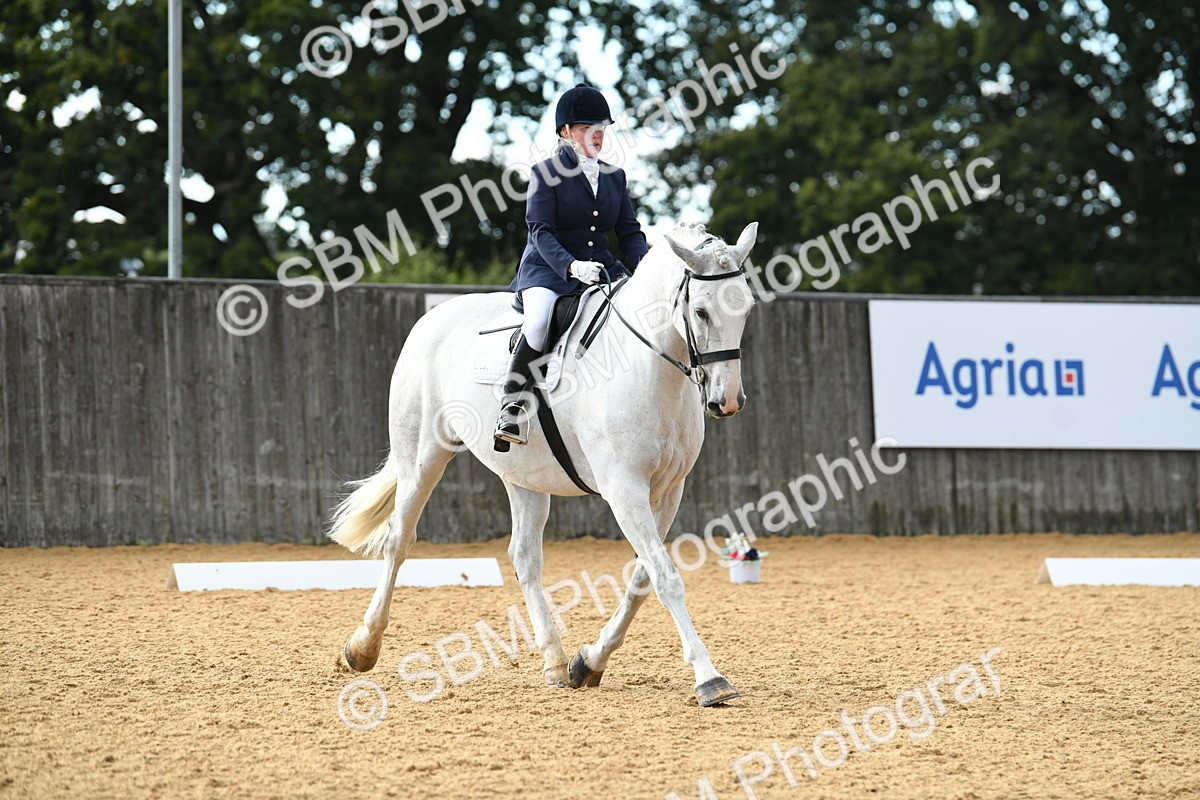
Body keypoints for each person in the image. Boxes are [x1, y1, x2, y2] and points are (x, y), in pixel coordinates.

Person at [493, 83, 650, 450]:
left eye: (602, 128)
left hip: (602, 267)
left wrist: (645, 269)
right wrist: (571, 267)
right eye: (587, 128)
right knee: (538, 320)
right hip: (548, 269)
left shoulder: (615, 175)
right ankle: (511, 405)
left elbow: (629, 233)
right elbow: (540, 232)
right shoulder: (544, 172)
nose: (597, 135)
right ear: (566, 132)